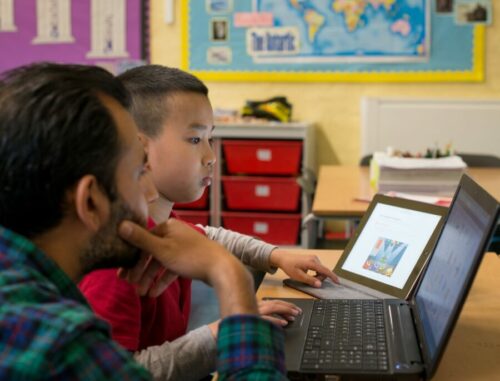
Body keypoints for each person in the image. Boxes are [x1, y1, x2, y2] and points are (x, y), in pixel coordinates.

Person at [0, 63, 286, 380]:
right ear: (90, 201)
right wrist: (232, 277)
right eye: (139, 173)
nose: (149, 193)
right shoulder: (65, 347)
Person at [80, 64, 338, 380]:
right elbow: (119, 373)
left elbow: (209, 237)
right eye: (194, 139)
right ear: (139, 148)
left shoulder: (162, 227)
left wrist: (276, 255)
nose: (210, 156)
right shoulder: (117, 261)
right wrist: (222, 333)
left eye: (210, 138)